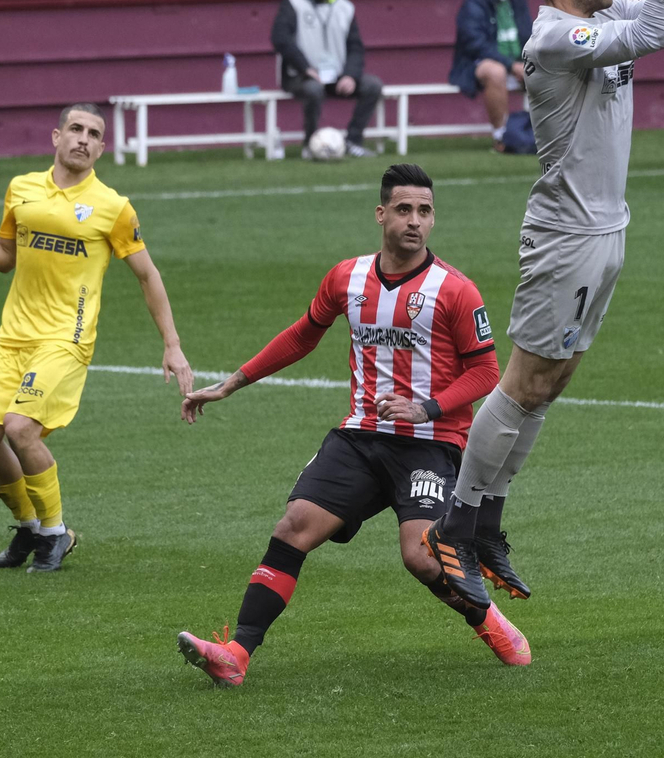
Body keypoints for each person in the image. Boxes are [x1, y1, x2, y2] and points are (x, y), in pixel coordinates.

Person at [423, 0, 664, 609]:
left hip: (606, 227)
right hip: (566, 232)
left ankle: (488, 521)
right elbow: (656, 29)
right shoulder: (556, 34)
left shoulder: (603, 14)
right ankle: (454, 525)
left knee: (551, 384)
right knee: (523, 380)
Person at [175, 163, 528, 689]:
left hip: (431, 445)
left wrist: (425, 408)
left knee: (421, 556)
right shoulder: (347, 277)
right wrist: (232, 383)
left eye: (425, 212)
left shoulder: (456, 291)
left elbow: (487, 372)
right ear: (381, 213)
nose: (415, 221)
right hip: (359, 437)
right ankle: (236, 654)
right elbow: (302, 335)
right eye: (404, 209)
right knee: (293, 527)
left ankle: (492, 624)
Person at [0, 103, 194, 573]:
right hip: (12, 337)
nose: (83, 139)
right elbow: (6, 255)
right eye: (75, 129)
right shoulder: (22, 189)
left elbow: (147, 275)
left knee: (19, 428)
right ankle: (29, 527)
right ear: (56, 136)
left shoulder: (113, 207)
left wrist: (172, 344)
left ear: (101, 148)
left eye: (93, 134)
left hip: (65, 339)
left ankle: (55, 533)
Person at [271, 0, 383, 159]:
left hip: (337, 75)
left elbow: (355, 46)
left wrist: (350, 75)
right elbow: (280, 39)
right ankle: (311, 144)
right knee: (313, 90)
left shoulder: (345, 7)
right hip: (301, 76)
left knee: (372, 85)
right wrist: (305, 68)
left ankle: (353, 141)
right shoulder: (292, 3)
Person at [448, 0, 533, 151]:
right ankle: (501, 136)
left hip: (517, 62)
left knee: (547, 70)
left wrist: (527, 62)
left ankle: (545, 134)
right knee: (496, 72)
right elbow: (475, 44)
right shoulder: (473, 5)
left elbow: (530, 36)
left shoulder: (518, 2)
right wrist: (511, 65)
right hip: (475, 65)